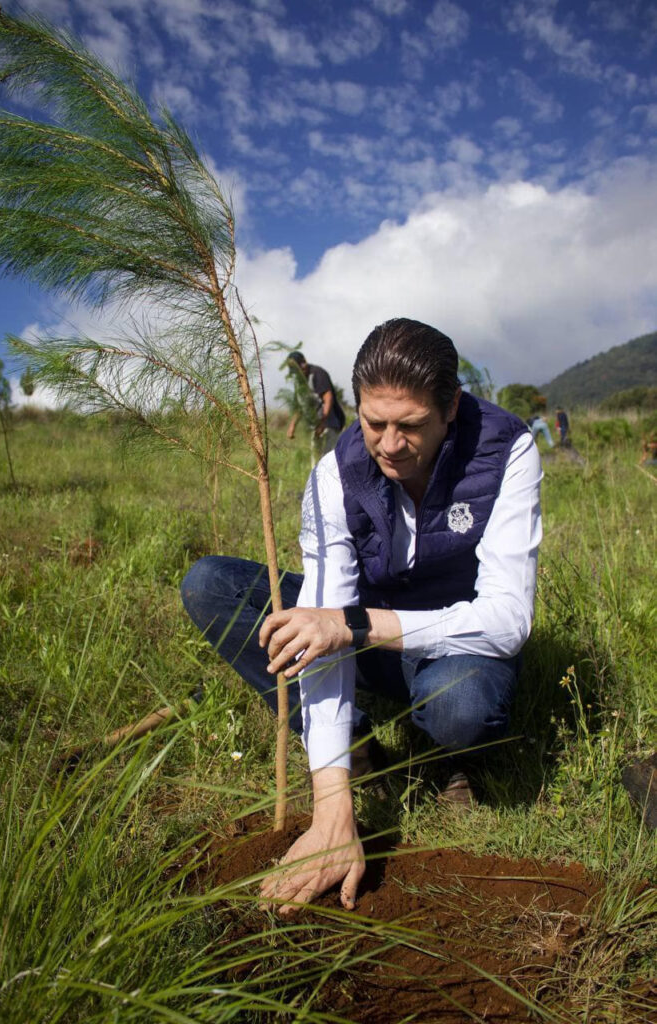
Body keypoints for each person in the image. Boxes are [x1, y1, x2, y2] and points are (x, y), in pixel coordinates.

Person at [181, 318, 542, 914]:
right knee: (212, 586)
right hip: (365, 635)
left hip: (454, 641)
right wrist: (333, 811)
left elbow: (506, 620)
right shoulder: (336, 473)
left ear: (451, 406)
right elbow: (321, 624)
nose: (390, 445)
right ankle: (353, 739)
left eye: (411, 426)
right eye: (375, 423)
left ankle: (449, 761)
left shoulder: (507, 451)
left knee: (461, 704)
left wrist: (353, 625)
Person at [285, 351, 345, 467]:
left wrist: (323, 422)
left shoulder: (318, 373)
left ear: (304, 363)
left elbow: (328, 398)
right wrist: (292, 426)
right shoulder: (299, 382)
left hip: (330, 424)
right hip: (316, 426)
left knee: (328, 460)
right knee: (316, 460)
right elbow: (300, 405)